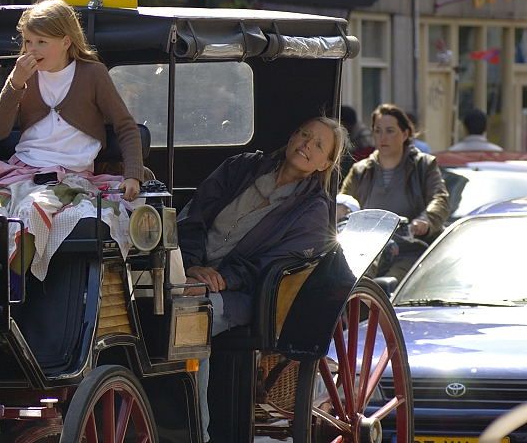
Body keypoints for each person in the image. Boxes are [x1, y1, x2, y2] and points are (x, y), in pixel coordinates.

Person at [176, 117, 348, 443]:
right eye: (303, 133)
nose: (306, 145)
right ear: (292, 134)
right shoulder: (240, 168)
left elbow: (271, 267)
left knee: (192, 320)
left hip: (248, 295)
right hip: (189, 271)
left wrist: (221, 280)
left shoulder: (312, 212)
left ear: (326, 163)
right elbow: (194, 214)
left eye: (318, 145)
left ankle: (198, 433)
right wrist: (192, 265)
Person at [0, 0, 144, 281]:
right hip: (21, 172)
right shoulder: (24, 76)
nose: (32, 49)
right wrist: (15, 83)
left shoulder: (93, 74)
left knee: (32, 211)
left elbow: (126, 127)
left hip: (71, 177)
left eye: (42, 42)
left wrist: (133, 175)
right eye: (28, 41)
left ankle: (13, 291)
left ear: (66, 42)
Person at [341, 103, 449, 280]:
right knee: (354, 279)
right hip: (368, 248)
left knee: (389, 284)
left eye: (390, 131)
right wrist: (341, 209)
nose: (383, 137)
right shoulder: (360, 170)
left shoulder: (424, 165)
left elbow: (440, 198)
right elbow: (344, 201)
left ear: (405, 134)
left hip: (410, 249)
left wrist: (425, 221)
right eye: (377, 131)